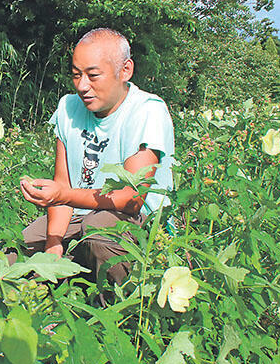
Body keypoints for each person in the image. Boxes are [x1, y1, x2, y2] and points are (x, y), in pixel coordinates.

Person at [20, 28, 174, 285]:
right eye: (76, 75)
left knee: (98, 236)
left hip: (139, 221)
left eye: (93, 75)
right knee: (15, 252)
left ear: (125, 70)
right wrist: (54, 244)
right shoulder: (68, 108)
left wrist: (62, 195)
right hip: (79, 214)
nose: (82, 86)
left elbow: (132, 198)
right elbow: (64, 184)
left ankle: (114, 313)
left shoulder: (147, 111)